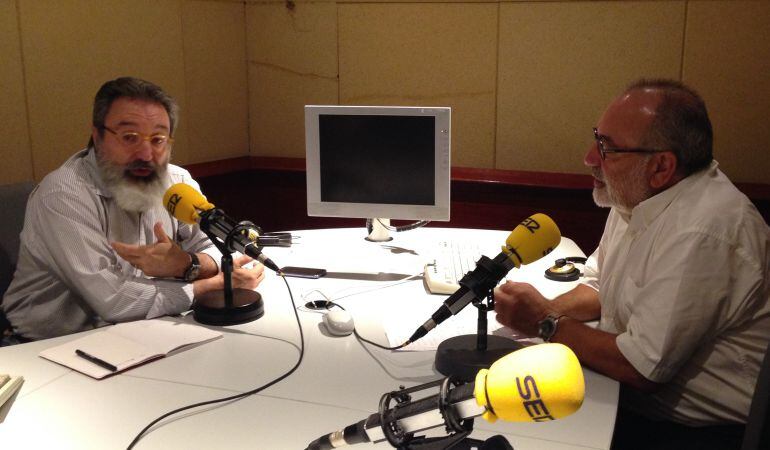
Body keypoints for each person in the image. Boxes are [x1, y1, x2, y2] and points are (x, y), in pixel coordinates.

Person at [494, 79, 770, 449]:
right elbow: (599, 285)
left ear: (661, 166)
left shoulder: (705, 229)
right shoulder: (637, 194)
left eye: (606, 148)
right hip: (630, 398)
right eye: (597, 138)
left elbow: (642, 368)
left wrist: (544, 322)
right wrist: (547, 309)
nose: (590, 158)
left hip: (698, 433)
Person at [0, 77, 264, 342]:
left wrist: (186, 264)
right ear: (97, 137)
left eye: (158, 139)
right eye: (129, 137)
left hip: (141, 333)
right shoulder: (63, 195)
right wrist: (212, 286)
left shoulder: (177, 183)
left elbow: (218, 246)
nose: (146, 154)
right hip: (43, 346)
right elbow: (113, 300)